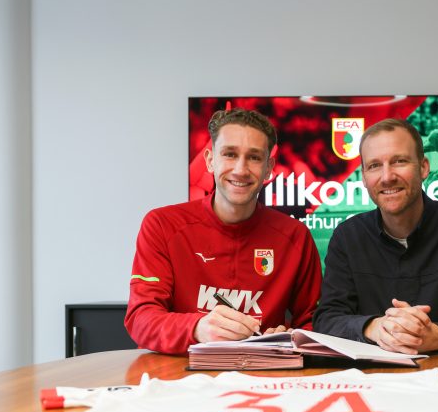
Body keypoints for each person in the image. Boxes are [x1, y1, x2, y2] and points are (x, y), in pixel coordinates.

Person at [125, 108, 322, 354]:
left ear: (268, 168)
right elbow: (140, 318)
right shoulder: (162, 225)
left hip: (263, 369)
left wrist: (291, 337)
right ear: (210, 160)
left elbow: (316, 321)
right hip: (180, 371)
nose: (240, 169)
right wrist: (197, 329)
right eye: (230, 154)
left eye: (254, 157)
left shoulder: (295, 236)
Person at [313, 118, 438, 354]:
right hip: (372, 374)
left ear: (424, 167)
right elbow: (327, 319)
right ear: (364, 177)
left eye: (399, 161)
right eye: (375, 165)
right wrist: (375, 328)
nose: (387, 177)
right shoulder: (347, 237)